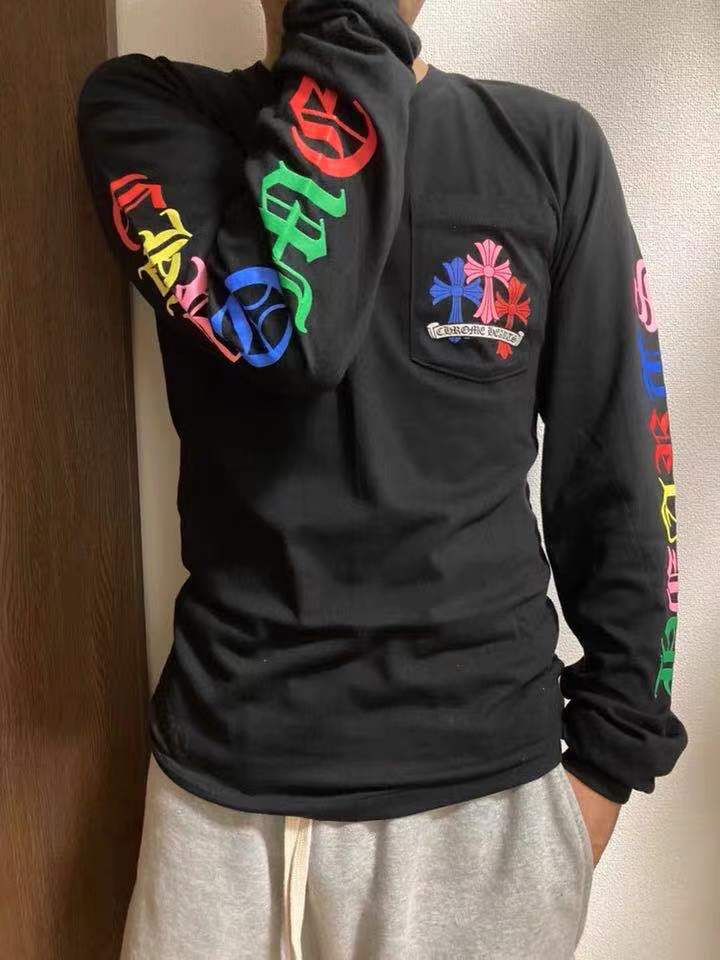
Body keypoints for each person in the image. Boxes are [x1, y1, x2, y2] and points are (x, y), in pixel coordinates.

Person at [75, 1, 687, 957]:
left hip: (486, 809)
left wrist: (610, 766)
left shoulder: (548, 149)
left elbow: (621, 474)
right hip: (221, 806)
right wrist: (352, 29)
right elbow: (291, 334)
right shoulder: (152, 116)